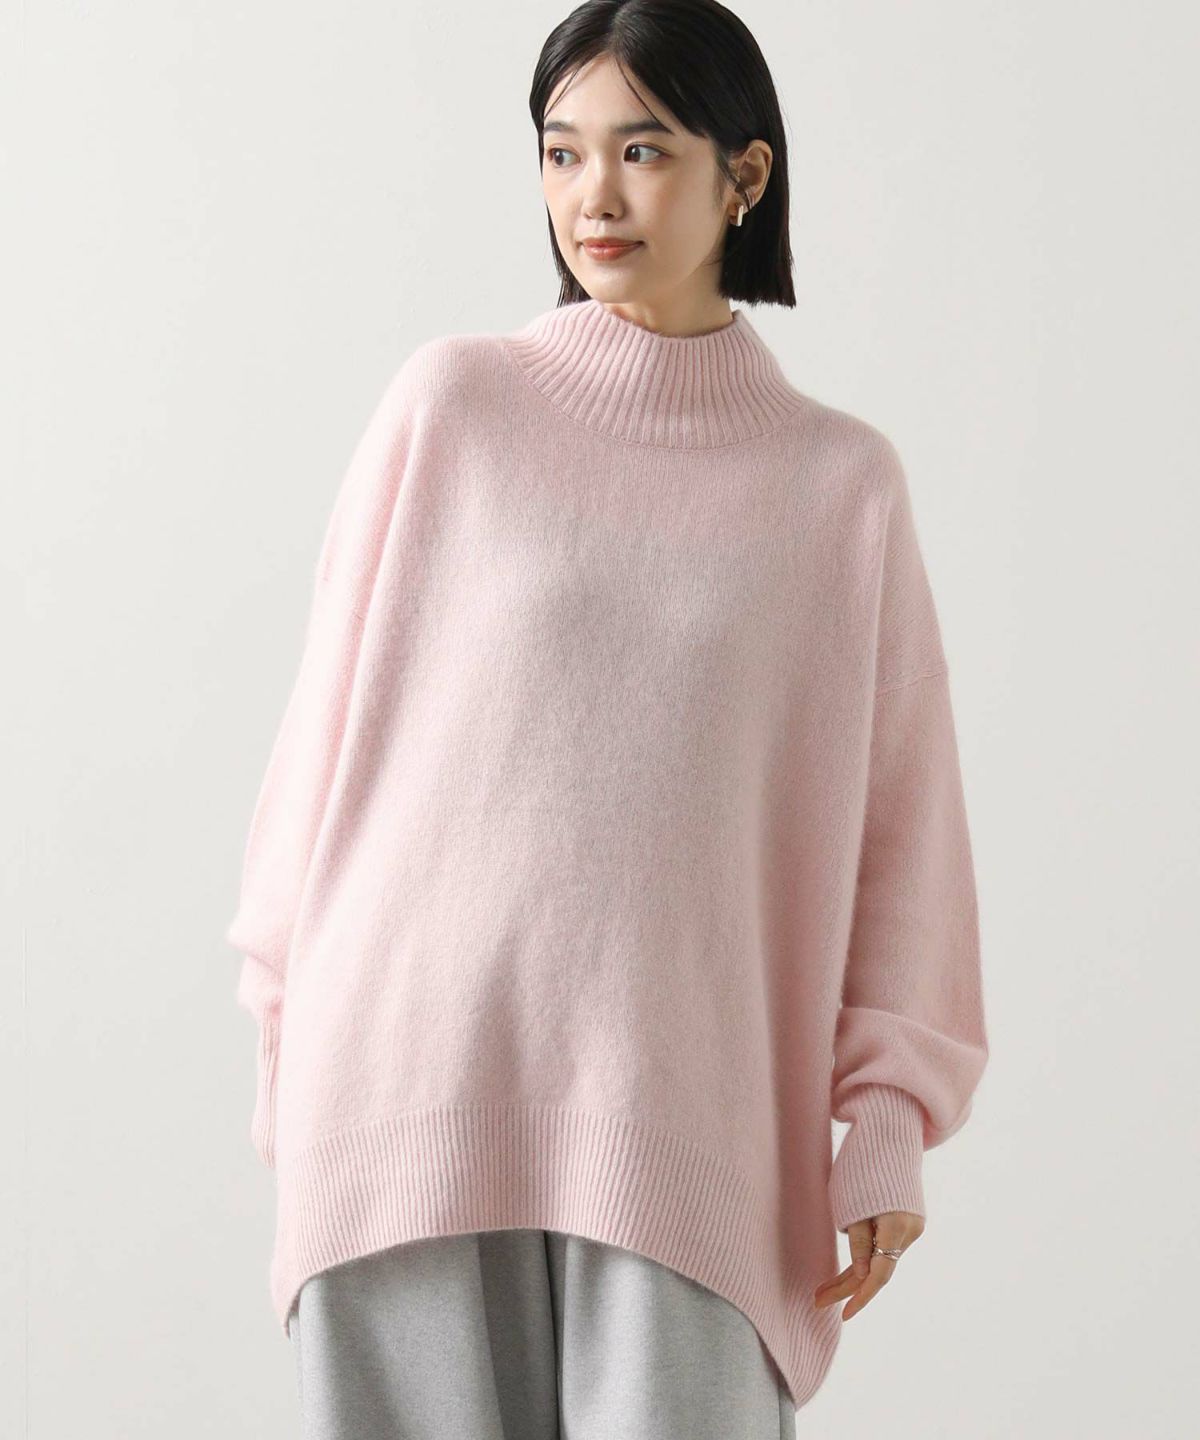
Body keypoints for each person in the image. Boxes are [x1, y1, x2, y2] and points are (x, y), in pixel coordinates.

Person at [224, 1, 989, 1432]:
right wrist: (286, 1044)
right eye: (562, 152)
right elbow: (317, 758)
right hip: (399, 1093)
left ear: (743, 175)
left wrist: (886, 1123)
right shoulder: (454, 406)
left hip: (685, 1126)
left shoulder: (838, 488)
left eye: (642, 150)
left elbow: (906, 841)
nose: (595, 196)